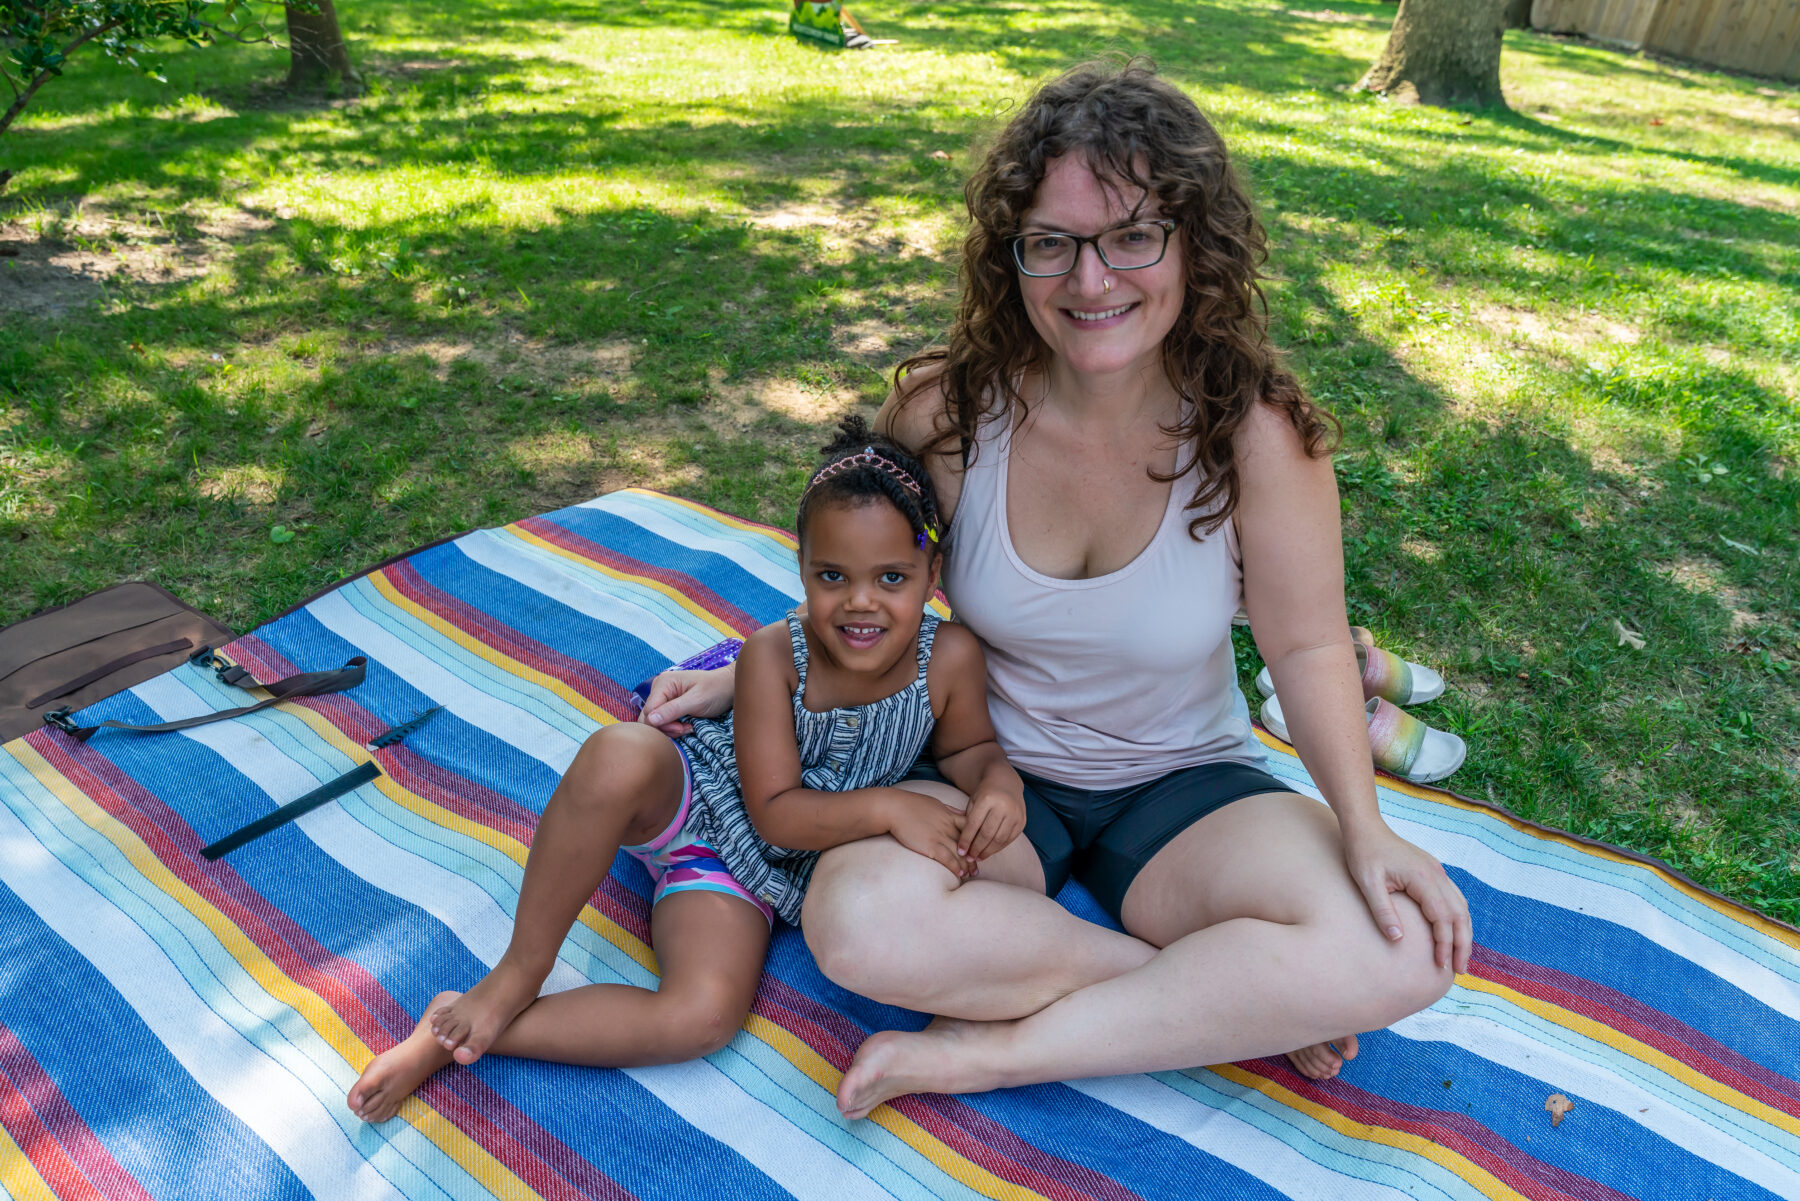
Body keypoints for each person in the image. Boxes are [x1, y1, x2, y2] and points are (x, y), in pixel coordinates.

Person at [636, 59, 1472, 1121]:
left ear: (1193, 244)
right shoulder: (947, 413)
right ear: (1010, 256)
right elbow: (873, 575)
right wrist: (757, 673)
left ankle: (988, 1053)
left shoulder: (1258, 436)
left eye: (1132, 236)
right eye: (1053, 244)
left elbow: (1306, 651)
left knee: (1404, 948)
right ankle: (1209, 998)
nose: (1092, 282)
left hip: (1184, 788)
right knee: (857, 924)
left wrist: (1365, 829)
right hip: (987, 773)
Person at [347, 418, 1025, 1124]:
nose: (861, 602)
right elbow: (773, 810)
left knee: (701, 1017)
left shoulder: (948, 659)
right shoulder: (772, 656)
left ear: (931, 575)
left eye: (892, 577)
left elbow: (969, 749)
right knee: (618, 752)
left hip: (749, 879)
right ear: (801, 573)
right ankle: (519, 969)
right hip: (699, 800)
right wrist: (890, 807)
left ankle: (452, 1033)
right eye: (833, 576)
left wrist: (999, 780)